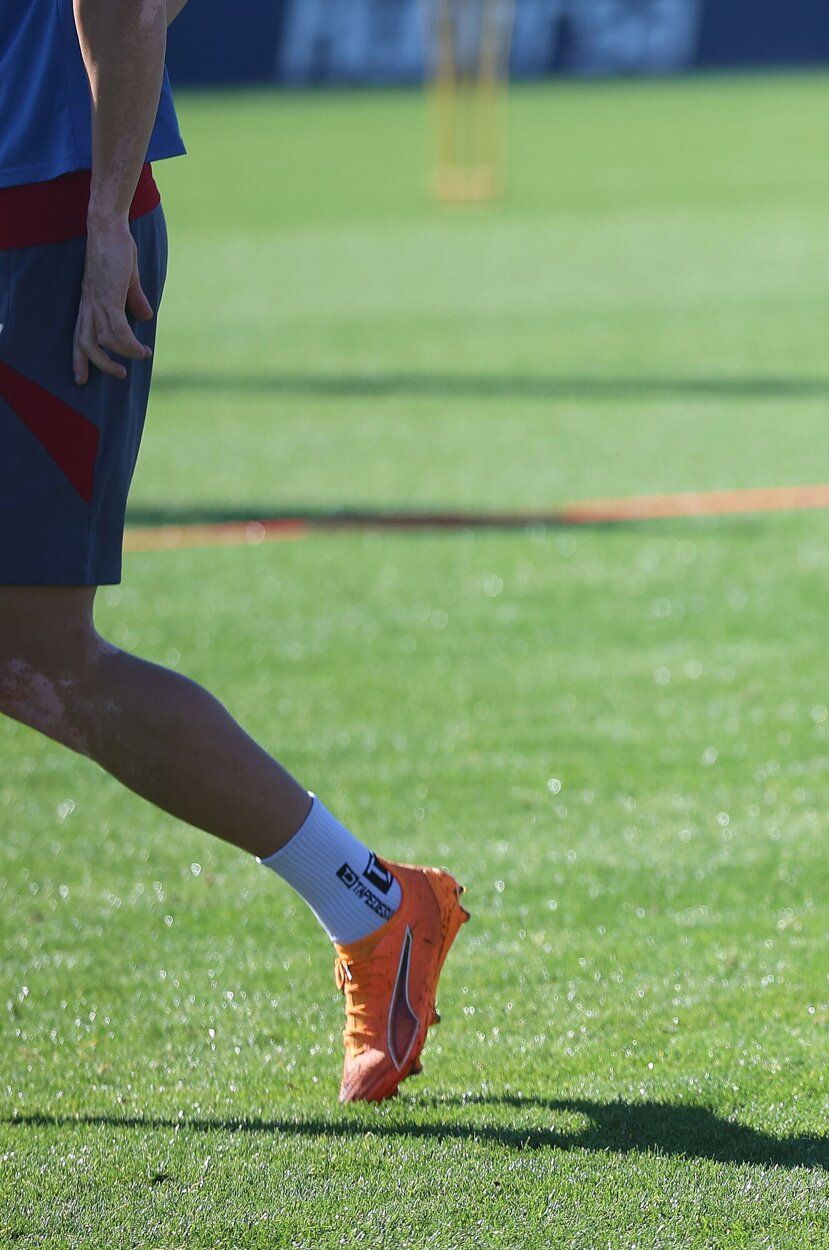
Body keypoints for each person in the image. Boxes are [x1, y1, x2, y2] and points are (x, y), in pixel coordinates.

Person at [0, 0, 467, 1102]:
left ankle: (376, 903)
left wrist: (106, 217)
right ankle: (375, 903)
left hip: (42, 236)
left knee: (39, 657)